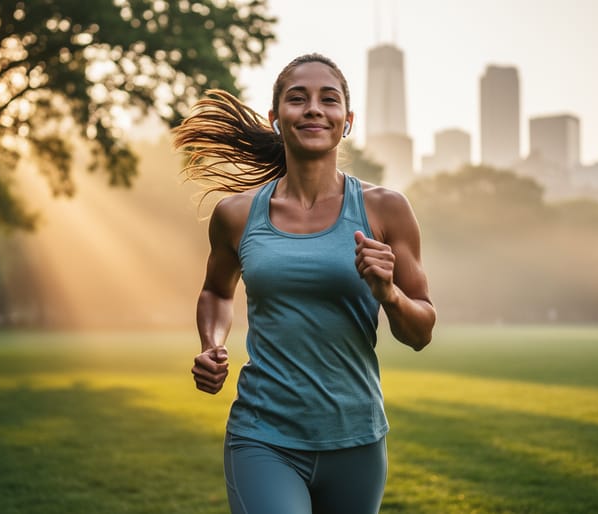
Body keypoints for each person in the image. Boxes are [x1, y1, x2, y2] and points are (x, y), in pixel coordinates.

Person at [172, 53, 435, 514]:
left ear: (346, 121)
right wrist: (210, 343)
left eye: (328, 99)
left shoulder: (386, 209)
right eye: (298, 99)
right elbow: (216, 290)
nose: (314, 108)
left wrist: (388, 294)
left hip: (357, 440)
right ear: (276, 119)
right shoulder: (237, 215)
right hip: (263, 436)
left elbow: (421, 331)